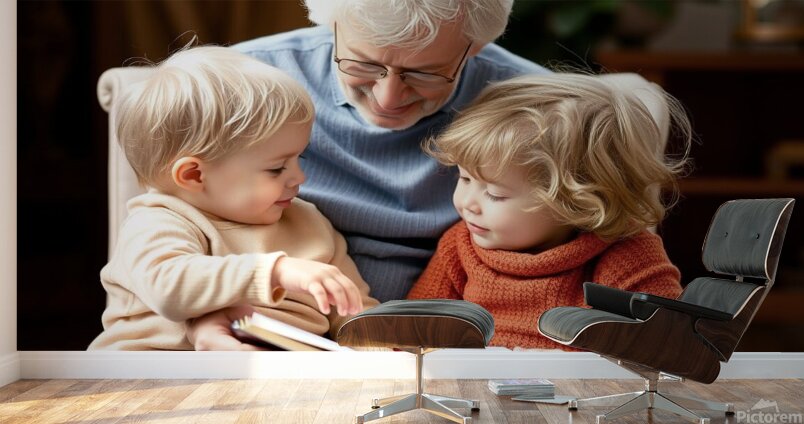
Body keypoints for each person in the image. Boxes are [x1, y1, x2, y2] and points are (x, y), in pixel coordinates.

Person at [234, 0, 548, 301]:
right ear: (333, 27)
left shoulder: (542, 110)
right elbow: (187, 224)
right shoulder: (243, 82)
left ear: (476, 47)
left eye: (424, 73)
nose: (388, 100)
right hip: (272, 319)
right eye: (365, 63)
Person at [89, 46, 378, 351]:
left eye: (299, 158)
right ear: (193, 175)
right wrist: (277, 272)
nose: (299, 178)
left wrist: (381, 343)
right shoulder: (157, 220)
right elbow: (168, 287)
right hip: (150, 379)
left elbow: (355, 311)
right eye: (277, 168)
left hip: (287, 378)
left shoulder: (309, 222)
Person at [407, 73, 692, 350]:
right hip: (474, 388)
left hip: (581, 392)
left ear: (574, 202)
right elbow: (410, 330)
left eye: (495, 194)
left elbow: (671, 344)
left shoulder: (627, 254)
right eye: (464, 179)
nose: (467, 202)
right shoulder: (459, 247)